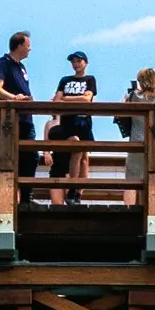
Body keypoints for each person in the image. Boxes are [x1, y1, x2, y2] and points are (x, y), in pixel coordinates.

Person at [0, 31, 35, 176]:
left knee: (30, 157)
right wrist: (14, 98)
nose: (30, 48)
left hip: (26, 118)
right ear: (20, 46)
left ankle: (25, 196)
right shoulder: (3, 64)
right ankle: (13, 195)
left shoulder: (21, 67)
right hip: (10, 120)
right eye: (28, 45)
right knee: (9, 158)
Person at [48, 50, 100, 201]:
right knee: (76, 150)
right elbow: (57, 100)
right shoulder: (65, 80)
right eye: (73, 61)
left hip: (83, 122)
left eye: (78, 61)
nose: (75, 64)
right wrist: (73, 99)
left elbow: (87, 99)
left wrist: (66, 98)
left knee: (84, 158)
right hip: (68, 122)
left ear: (85, 62)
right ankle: (72, 186)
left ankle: (78, 192)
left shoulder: (90, 79)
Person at [116, 67, 155, 197]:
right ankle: (150, 207)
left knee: (132, 177)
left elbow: (119, 110)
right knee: (152, 177)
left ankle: (129, 207)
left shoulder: (135, 96)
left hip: (137, 139)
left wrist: (125, 98)